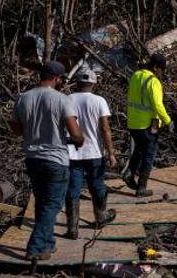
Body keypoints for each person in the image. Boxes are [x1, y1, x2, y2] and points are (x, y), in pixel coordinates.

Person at [12, 60, 84, 260]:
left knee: (42, 202)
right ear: (56, 78)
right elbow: (75, 133)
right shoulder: (62, 99)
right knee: (52, 205)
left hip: (32, 158)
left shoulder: (22, 98)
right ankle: (35, 248)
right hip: (55, 159)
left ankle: (48, 243)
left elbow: (16, 130)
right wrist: (78, 139)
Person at [63, 70, 118, 239]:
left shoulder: (67, 100)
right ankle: (100, 217)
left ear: (77, 82)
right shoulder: (99, 101)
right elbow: (105, 129)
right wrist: (111, 152)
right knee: (97, 185)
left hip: (72, 152)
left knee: (73, 189)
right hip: (94, 152)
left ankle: (72, 228)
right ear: (94, 84)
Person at [125, 54, 172, 197]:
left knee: (139, 149)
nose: (161, 72)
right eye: (161, 69)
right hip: (146, 125)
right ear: (156, 67)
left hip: (133, 122)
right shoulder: (153, 81)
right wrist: (168, 121)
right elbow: (157, 104)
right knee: (149, 154)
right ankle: (142, 187)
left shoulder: (135, 76)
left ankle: (129, 173)